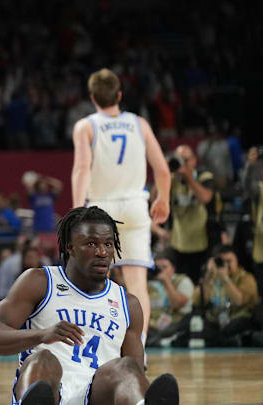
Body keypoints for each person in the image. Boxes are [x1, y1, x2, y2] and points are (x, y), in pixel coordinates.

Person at [0, 206, 179, 405]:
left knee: (126, 367)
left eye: (108, 244)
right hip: (49, 392)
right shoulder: (39, 281)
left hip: (97, 395)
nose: (102, 252)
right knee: (43, 359)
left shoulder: (128, 304)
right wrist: (41, 335)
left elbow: (135, 373)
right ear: (69, 246)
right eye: (91, 244)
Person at [71, 68, 171, 347]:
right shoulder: (139, 123)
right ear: (119, 95)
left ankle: (90, 346)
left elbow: (81, 169)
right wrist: (163, 199)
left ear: (92, 98)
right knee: (137, 283)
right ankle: (140, 350)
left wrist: (77, 212)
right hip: (136, 206)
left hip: (101, 208)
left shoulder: (86, 126)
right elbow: (162, 170)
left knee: (88, 278)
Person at [168, 145, 219, 284]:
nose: (182, 163)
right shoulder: (172, 179)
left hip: (202, 242)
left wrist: (188, 176)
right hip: (179, 243)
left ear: (194, 160)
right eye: (179, 159)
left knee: (200, 284)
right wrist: (163, 173)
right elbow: (155, 199)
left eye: (186, 159)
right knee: (182, 283)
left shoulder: (205, 177)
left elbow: (205, 198)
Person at [146, 250, 193, 347]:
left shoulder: (183, 281)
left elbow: (177, 304)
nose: (161, 271)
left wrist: (166, 282)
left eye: (165, 267)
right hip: (152, 325)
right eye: (158, 268)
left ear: (173, 268)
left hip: (175, 322)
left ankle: (159, 340)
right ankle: (158, 340)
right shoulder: (148, 284)